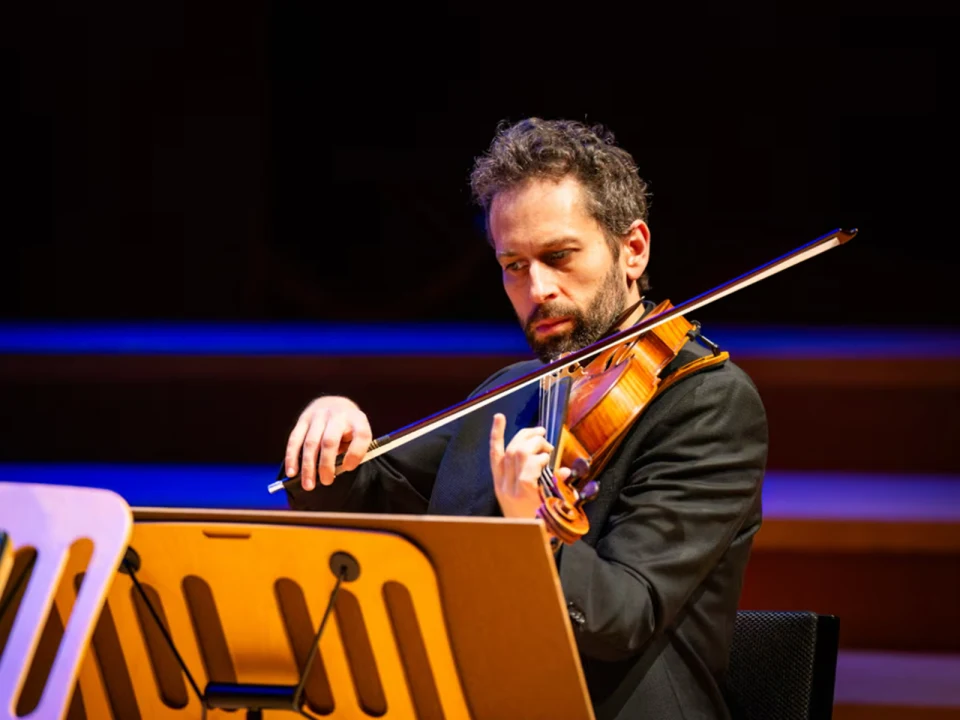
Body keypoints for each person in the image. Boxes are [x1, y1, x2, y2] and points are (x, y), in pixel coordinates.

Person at [281, 118, 768, 720]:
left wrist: (536, 534)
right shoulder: (513, 390)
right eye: (513, 265)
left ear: (633, 248)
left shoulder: (705, 404)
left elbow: (624, 616)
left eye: (559, 256)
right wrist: (333, 429)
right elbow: (375, 499)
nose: (537, 288)